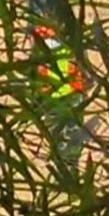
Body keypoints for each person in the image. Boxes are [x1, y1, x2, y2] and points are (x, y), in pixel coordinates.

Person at [29, 24, 88, 165]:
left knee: (59, 131)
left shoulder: (38, 56)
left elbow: (36, 81)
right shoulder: (68, 48)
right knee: (70, 130)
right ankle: (69, 159)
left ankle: (65, 159)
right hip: (70, 94)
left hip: (56, 98)